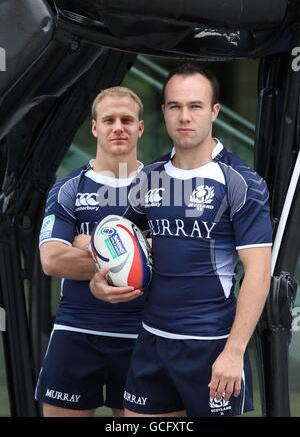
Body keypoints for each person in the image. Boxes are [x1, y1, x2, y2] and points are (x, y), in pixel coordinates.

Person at [90, 63, 272, 417]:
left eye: (195, 106)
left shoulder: (241, 182)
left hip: (211, 348)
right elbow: (114, 237)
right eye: (175, 106)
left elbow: (259, 272)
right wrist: (100, 280)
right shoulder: (150, 177)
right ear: (164, 112)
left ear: (214, 112)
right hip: (152, 341)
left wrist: (234, 352)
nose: (184, 116)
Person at [35, 86, 145, 417]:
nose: (118, 127)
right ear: (95, 127)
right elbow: (52, 260)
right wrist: (134, 249)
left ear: (140, 127)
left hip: (143, 335)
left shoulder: (162, 189)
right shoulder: (69, 187)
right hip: (76, 330)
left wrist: (89, 242)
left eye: (127, 119)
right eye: (109, 119)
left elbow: (176, 254)